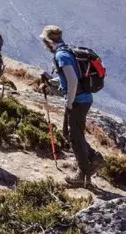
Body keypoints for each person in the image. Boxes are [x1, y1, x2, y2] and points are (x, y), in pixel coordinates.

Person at [39, 25, 103, 187]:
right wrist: (51, 85)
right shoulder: (67, 51)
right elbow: (69, 79)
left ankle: (83, 173)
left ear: (49, 41)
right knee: (71, 134)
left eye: (44, 41)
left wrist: (69, 103)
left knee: (74, 136)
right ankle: (93, 159)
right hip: (83, 99)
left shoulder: (62, 56)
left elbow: (73, 81)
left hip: (78, 101)